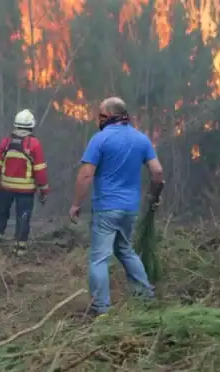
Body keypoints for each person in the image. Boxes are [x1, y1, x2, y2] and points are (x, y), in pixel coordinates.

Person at [69, 97, 163, 317]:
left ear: (109, 115)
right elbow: (157, 172)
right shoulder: (142, 139)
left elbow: (85, 175)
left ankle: (101, 307)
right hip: (130, 209)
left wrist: (76, 204)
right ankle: (144, 294)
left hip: (106, 208)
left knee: (99, 257)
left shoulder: (100, 139)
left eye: (101, 114)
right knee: (125, 250)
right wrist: (155, 196)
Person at [0, 109, 50, 256]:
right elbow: (40, 170)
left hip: (5, 188)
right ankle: (19, 251)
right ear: (31, 126)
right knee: (23, 218)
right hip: (26, 191)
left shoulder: (6, 142)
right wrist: (44, 190)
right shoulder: (34, 144)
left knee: (1, 215)